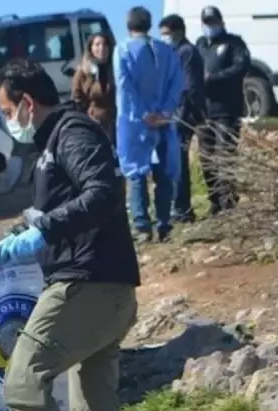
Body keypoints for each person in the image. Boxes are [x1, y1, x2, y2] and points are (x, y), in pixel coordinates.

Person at [0, 58, 139, 411]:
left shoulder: (71, 132)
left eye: (8, 112)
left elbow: (103, 193)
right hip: (104, 289)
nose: (10, 120)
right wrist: (30, 229)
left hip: (88, 283)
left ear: (26, 102)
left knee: (22, 385)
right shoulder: (52, 143)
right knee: (94, 409)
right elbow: (66, 205)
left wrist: (45, 231)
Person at [115, 6, 185, 243]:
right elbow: (178, 82)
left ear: (128, 26)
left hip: (136, 122)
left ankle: (142, 225)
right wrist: (164, 110)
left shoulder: (123, 51)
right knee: (164, 171)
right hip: (164, 120)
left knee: (136, 172)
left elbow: (125, 87)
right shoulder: (166, 50)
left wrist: (143, 113)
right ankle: (164, 224)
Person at [195, 5, 250, 216]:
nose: (211, 27)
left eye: (214, 23)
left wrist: (215, 78)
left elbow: (241, 67)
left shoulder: (234, 44)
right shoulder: (200, 45)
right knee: (207, 158)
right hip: (204, 112)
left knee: (225, 155)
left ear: (221, 22)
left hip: (227, 110)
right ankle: (215, 201)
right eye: (207, 23)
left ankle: (229, 201)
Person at [159, 13, 206, 224]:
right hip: (170, 115)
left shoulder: (187, 53)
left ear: (178, 32)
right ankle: (177, 206)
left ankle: (182, 209)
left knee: (178, 162)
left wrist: (179, 116)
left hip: (182, 116)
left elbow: (189, 89)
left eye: (167, 34)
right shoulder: (173, 53)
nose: (164, 38)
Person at [71, 32, 116, 140]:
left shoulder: (116, 68)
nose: (102, 48)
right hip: (93, 123)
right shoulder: (83, 71)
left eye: (105, 44)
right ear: (91, 48)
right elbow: (76, 98)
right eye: (97, 44)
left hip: (114, 124)